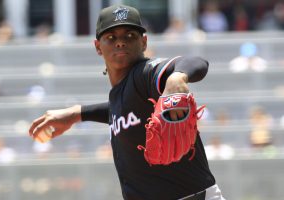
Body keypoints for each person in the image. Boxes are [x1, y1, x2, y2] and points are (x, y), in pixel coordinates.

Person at [29, 5, 225, 200]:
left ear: (144, 42)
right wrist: (77, 113)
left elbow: (196, 61)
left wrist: (177, 77)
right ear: (98, 47)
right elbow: (121, 111)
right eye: (111, 37)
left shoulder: (145, 74)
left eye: (129, 35)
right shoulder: (121, 94)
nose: (120, 42)